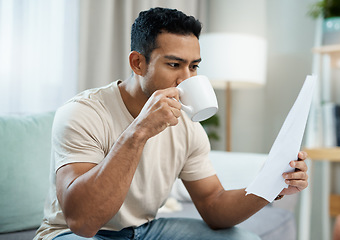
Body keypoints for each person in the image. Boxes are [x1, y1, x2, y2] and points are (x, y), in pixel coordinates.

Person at [34, 7, 309, 240]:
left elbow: (213, 205)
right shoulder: (82, 113)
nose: (186, 79)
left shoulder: (188, 127)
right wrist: (140, 131)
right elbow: (82, 221)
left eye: (194, 66)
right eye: (175, 65)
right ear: (138, 63)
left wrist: (271, 187)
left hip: (144, 230)